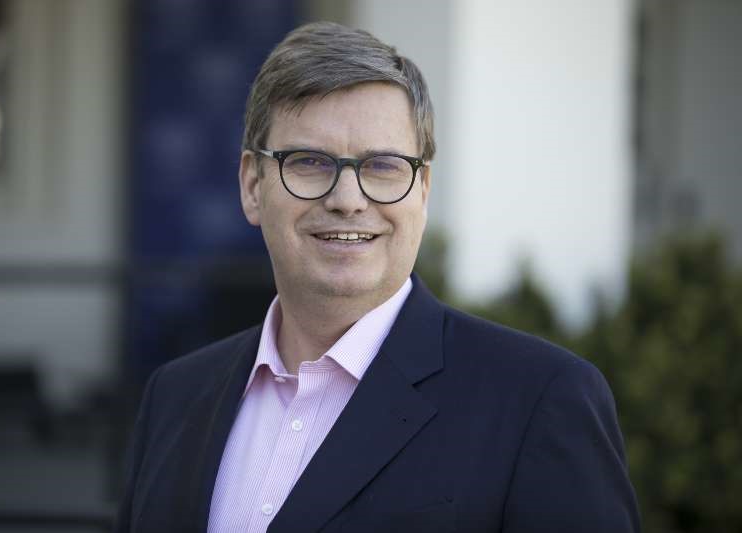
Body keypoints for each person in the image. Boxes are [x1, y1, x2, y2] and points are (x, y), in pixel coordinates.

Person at [115, 21, 640, 533]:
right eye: (310, 162)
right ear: (253, 186)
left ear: (422, 191)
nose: (347, 200)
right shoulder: (174, 397)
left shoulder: (539, 400)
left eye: (384, 166)